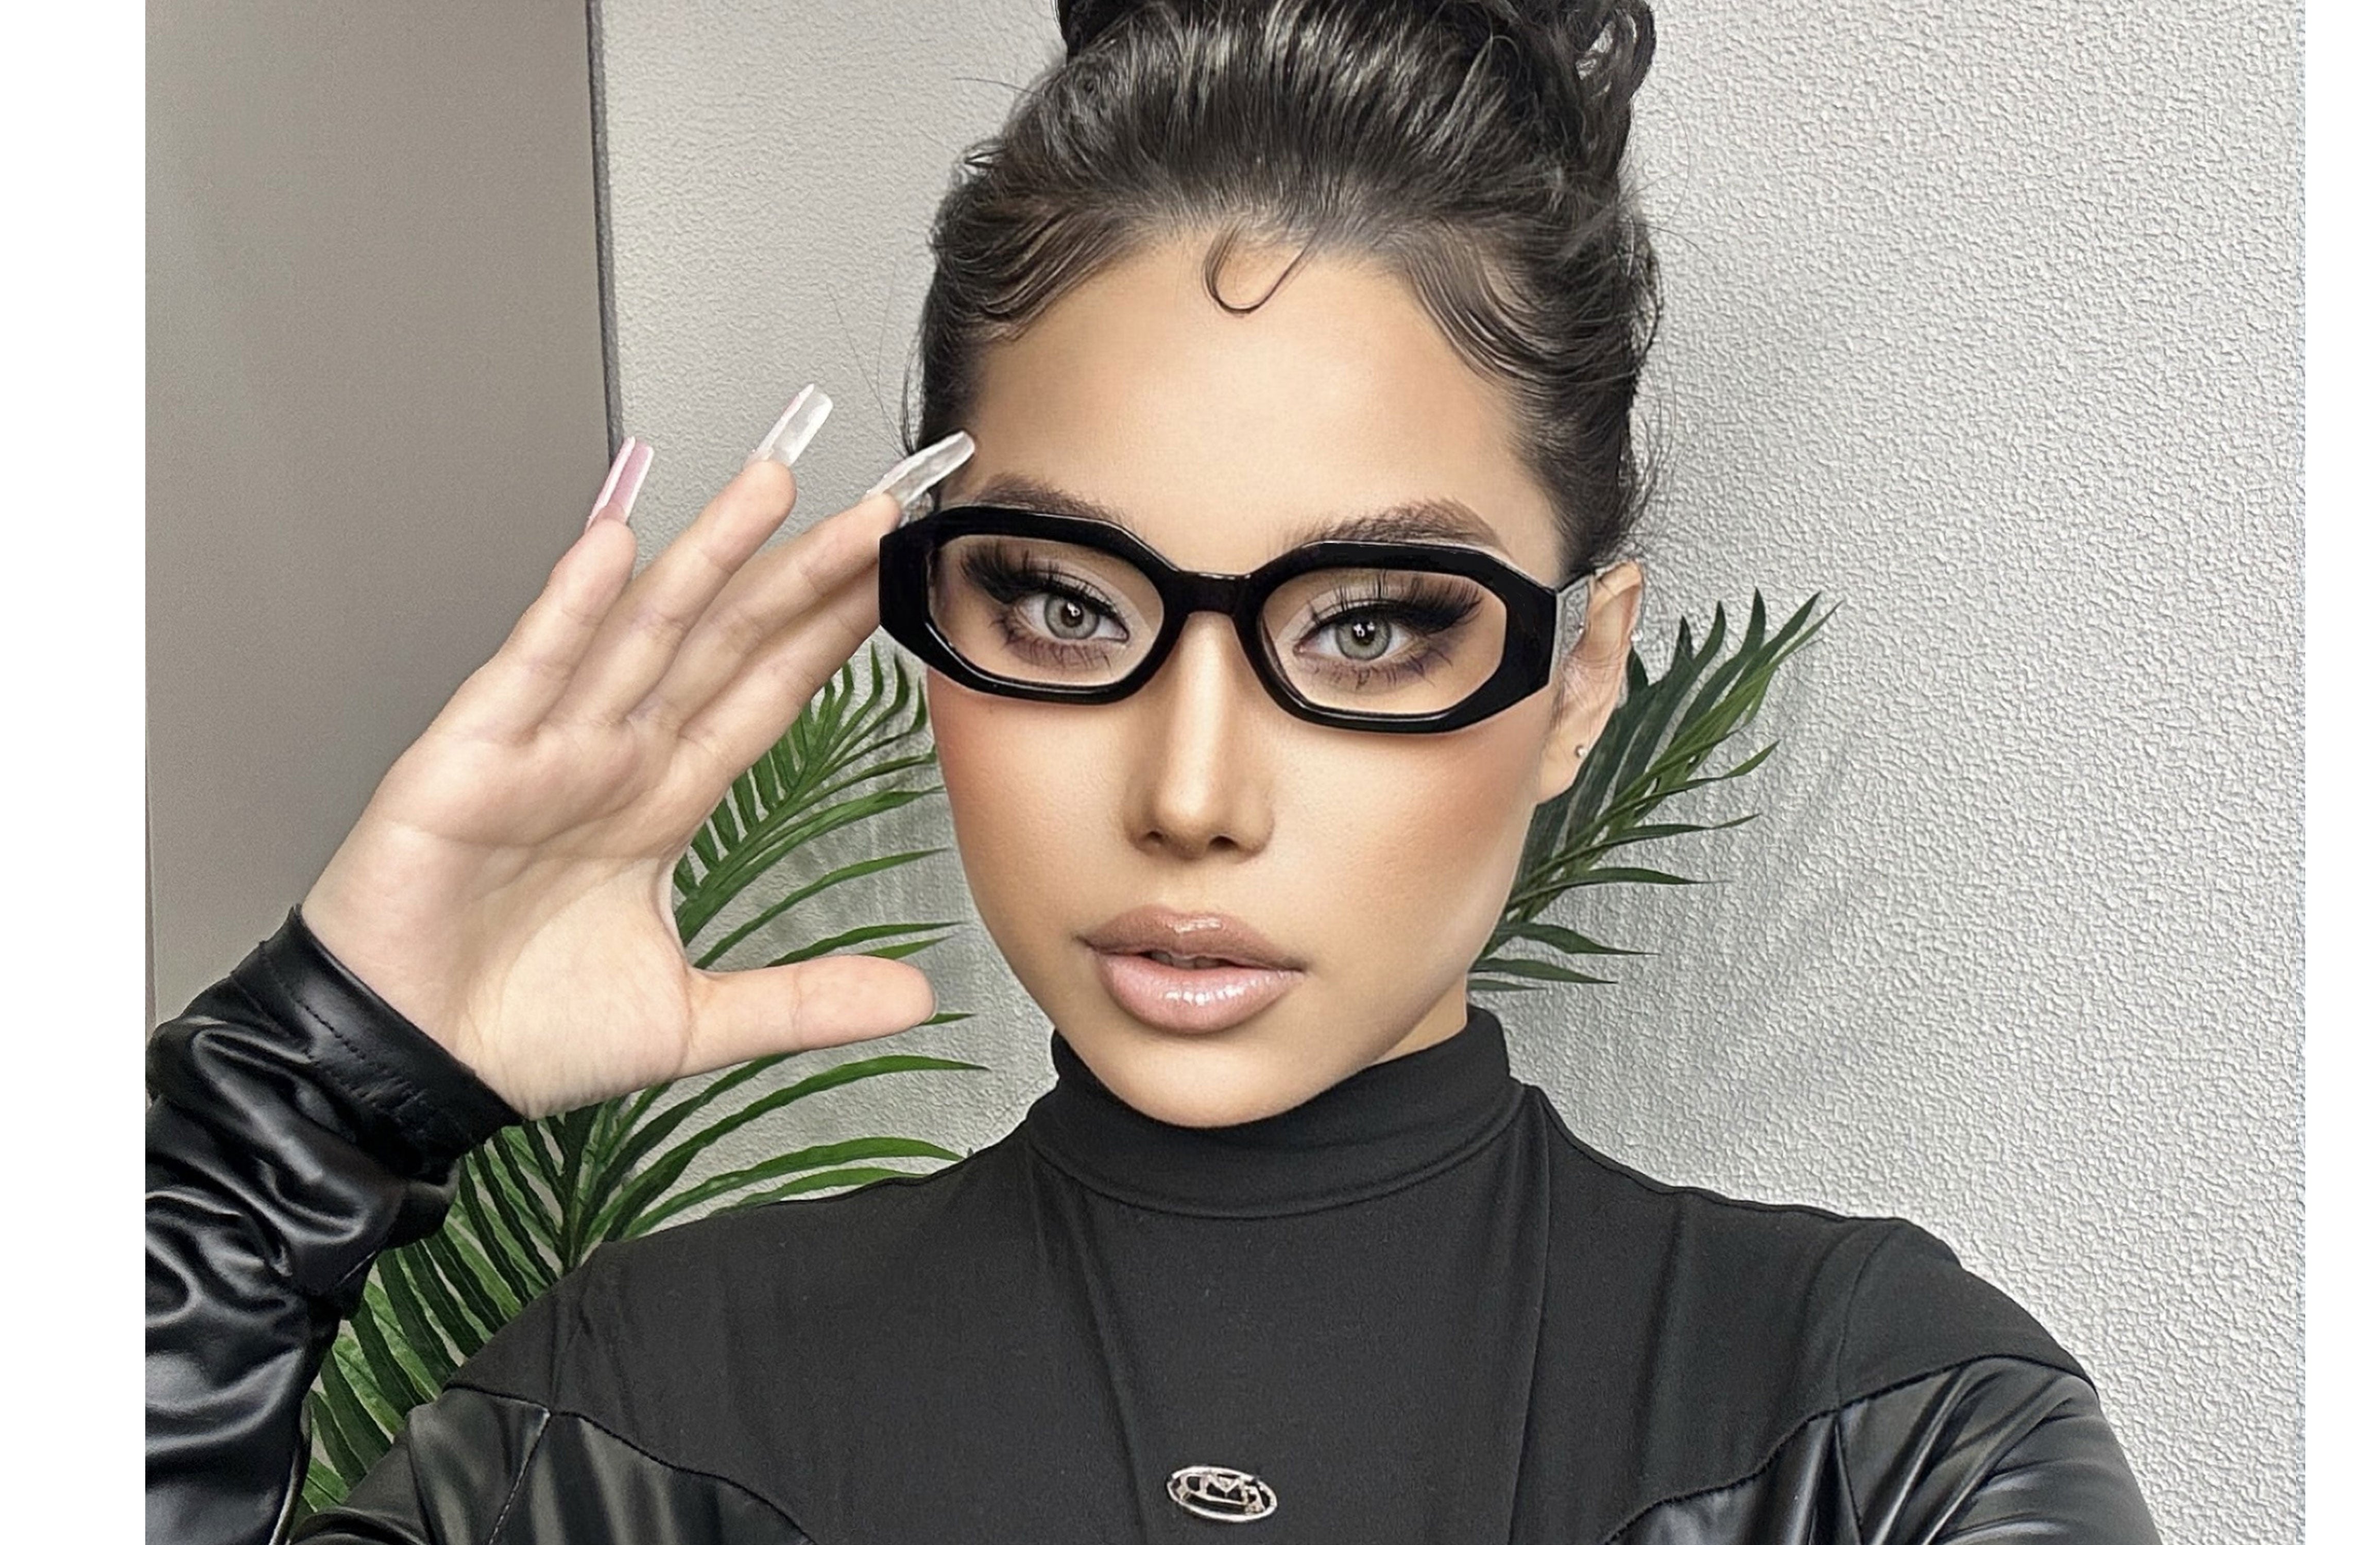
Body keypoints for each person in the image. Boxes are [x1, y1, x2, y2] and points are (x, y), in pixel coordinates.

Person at [147, 1, 2165, 1540]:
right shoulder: (622, 1425)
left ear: (1576, 679)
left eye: (1371, 624)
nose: (1193, 792)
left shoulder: (1878, 1441)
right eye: (1065, 604)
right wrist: (303, 1089)